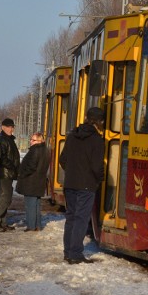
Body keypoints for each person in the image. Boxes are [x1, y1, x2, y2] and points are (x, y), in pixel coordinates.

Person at [59, 107, 105, 265]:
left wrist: (72, 172)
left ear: (86, 118)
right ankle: (75, 253)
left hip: (70, 183)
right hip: (87, 185)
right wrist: (99, 179)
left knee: (71, 216)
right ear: (100, 122)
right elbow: (96, 167)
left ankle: (67, 252)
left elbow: (62, 159)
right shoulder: (97, 140)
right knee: (81, 218)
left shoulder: (72, 136)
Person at [0, 118, 21, 232]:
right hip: (4, 173)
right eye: (9, 127)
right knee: (5, 197)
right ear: (3, 127)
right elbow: (2, 157)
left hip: (9, 173)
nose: (11, 129)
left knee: (7, 197)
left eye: (12, 127)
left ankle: (2, 222)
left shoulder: (9, 139)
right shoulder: (2, 139)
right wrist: (12, 166)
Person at [16, 132, 50, 232]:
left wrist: (21, 174)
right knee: (36, 205)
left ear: (40, 140)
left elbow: (31, 166)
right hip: (39, 182)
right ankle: (37, 225)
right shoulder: (45, 150)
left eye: (33, 140)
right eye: (31, 139)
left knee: (30, 205)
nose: (31, 141)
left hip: (31, 181)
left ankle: (31, 226)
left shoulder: (35, 150)